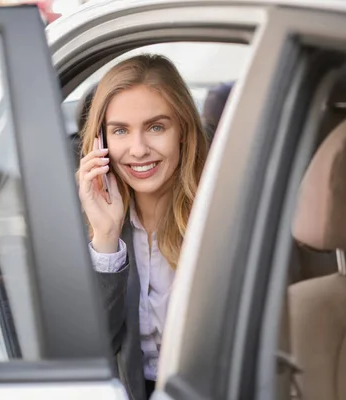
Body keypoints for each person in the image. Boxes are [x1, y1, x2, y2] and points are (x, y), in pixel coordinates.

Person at [77, 54, 209, 400]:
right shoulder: (91, 226)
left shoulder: (218, 219)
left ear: (183, 131)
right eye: (120, 130)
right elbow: (89, 347)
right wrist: (104, 237)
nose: (138, 150)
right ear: (100, 143)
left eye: (156, 127)